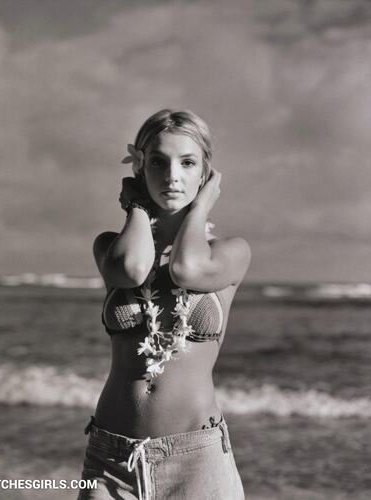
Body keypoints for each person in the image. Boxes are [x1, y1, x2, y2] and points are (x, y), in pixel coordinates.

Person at [78, 109, 251, 499]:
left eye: (187, 163)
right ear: (140, 167)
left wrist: (201, 207)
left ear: (205, 173)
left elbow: (187, 269)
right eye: (158, 161)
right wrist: (137, 206)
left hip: (197, 461)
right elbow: (133, 269)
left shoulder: (231, 252)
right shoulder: (109, 246)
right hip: (112, 460)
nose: (172, 175)